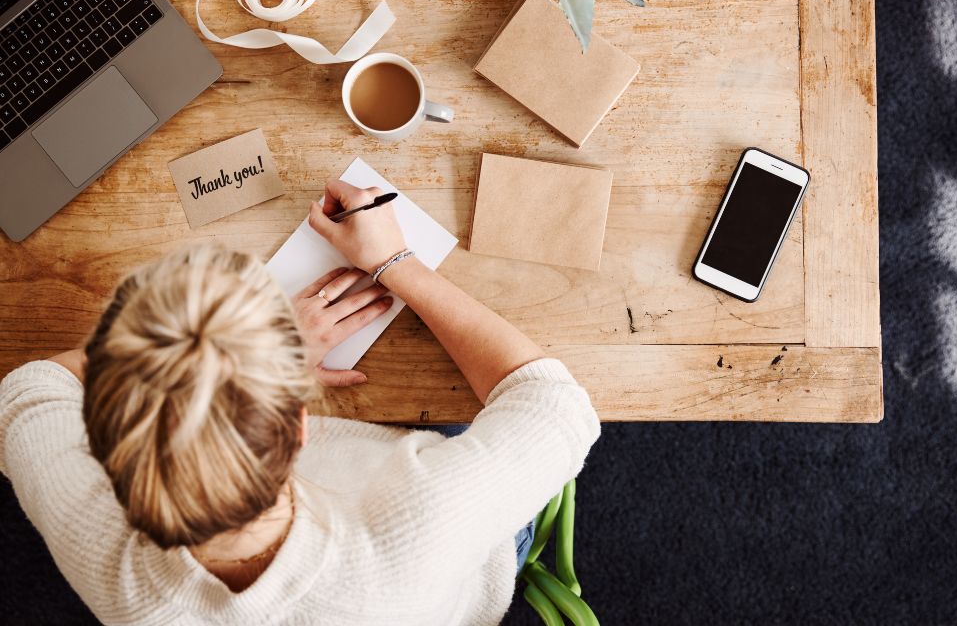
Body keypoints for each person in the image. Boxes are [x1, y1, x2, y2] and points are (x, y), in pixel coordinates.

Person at [0, 178, 600, 625]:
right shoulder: (421, 520)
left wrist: (242, 356)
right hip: (449, 575)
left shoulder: (105, 553)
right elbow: (557, 405)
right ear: (300, 425)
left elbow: (24, 396)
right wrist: (395, 262)